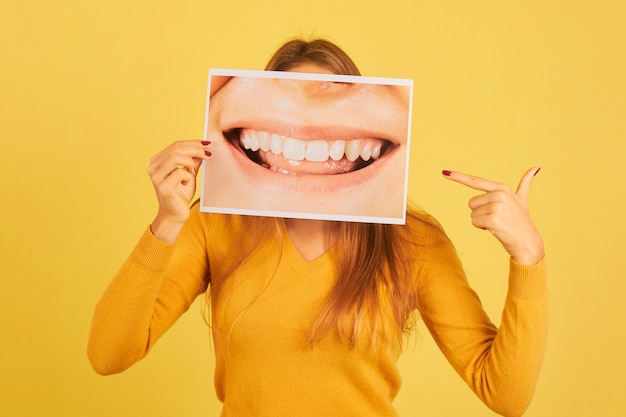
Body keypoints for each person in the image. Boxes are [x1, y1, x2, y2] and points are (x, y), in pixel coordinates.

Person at [87, 38, 547, 417]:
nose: (307, 126)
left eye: (332, 94)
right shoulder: (215, 223)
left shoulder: (413, 239)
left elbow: (505, 395)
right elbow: (108, 355)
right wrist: (167, 222)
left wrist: (528, 257)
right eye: (286, 98)